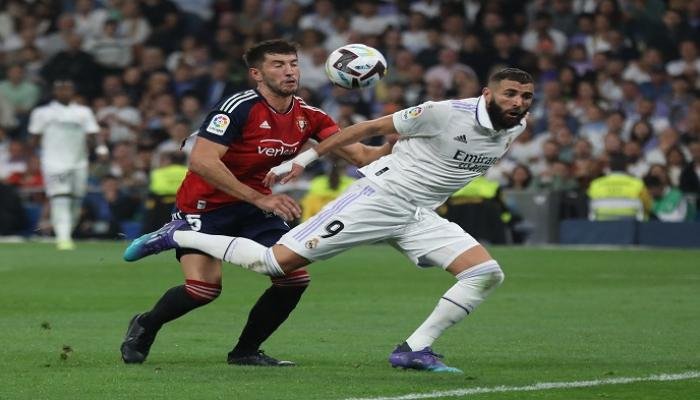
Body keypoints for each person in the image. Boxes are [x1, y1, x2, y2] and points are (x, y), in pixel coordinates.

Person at [124, 68, 535, 373]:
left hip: (417, 213)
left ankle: (413, 350)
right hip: (377, 199)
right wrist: (303, 161)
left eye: (526, 96)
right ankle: (178, 236)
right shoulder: (442, 113)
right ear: (488, 93)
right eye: (510, 94)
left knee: (484, 273)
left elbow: (368, 151)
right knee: (267, 266)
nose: (518, 102)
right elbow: (367, 128)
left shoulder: (516, 126)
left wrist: (390, 150)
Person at [119, 39, 392, 366]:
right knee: (203, 290)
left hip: (256, 209)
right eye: (278, 64)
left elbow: (362, 156)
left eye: (293, 64)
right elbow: (202, 161)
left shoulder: (310, 116)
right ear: (257, 74)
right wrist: (260, 197)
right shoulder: (238, 107)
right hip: (205, 206)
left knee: (293, 279)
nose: (289, 71)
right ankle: (146, 324)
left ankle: (245, 351)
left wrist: (396, 137)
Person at [28, 80, 100, 250]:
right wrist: (33, 157)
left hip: (79, 162)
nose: (64, 92)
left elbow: (93, 134)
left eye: (67, 89)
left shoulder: (83, 112)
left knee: (75, 200)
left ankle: (66, 232)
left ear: (73, 91)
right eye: (60, 89)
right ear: (54, 92)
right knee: (60, 197)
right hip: (53, 162)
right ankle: (63, 238)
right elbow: (34, 138)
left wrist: (100, 149)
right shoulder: (42, 113)